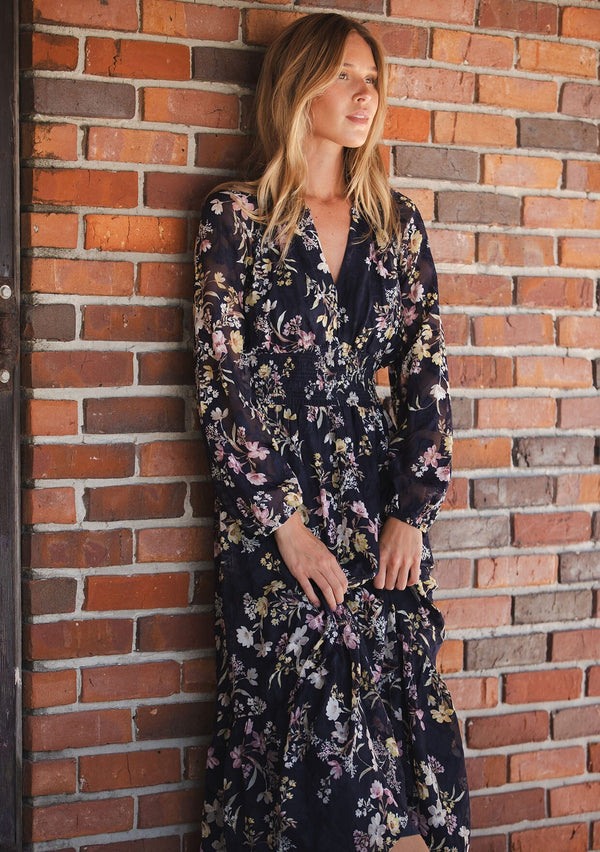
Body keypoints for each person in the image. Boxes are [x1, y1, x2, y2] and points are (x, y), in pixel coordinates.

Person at [193, 12, 470, 852]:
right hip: (276, 514)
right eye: (345, 74)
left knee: (401, 729)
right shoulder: (237, 219)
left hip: (375, 509)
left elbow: (427, 372)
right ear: (298, 85)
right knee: (306, 738)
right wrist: (285, 526)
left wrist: (411, 512)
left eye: (372, 79)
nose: (364, 93)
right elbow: (221, 380)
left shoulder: (397, 224)